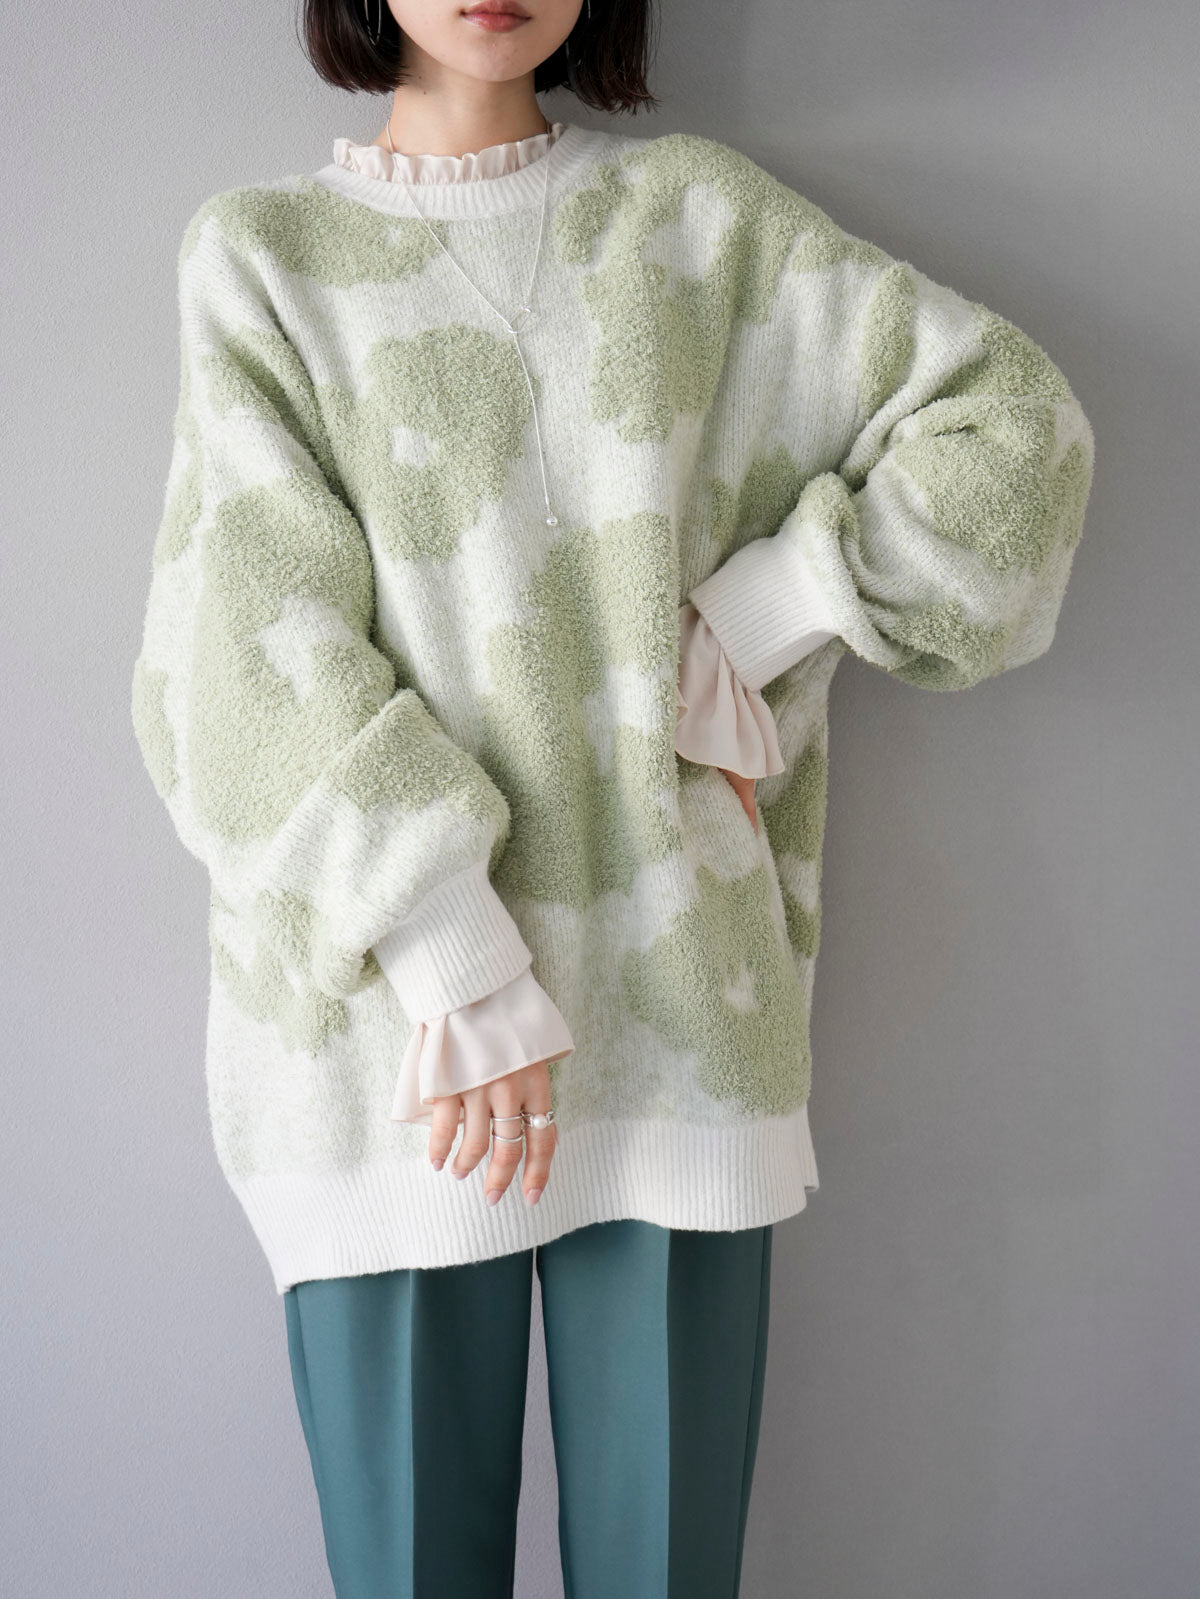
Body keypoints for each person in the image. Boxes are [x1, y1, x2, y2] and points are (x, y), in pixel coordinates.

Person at [128, 0, 1095, 1593]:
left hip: (680, 1027)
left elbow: (1017, 438)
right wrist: (448, 945)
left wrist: (776, 606)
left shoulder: (701, 226)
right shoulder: (266, 259)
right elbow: (233, 661)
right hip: (388, 1055)